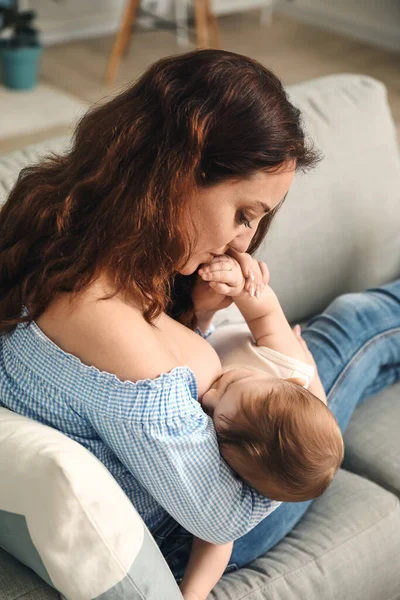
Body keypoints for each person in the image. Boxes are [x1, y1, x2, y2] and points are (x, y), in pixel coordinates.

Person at [0, 47, 399, 595]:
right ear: (180, 172)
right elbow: (226, 516)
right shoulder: (111, 335)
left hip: (245, 418)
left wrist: (205, 314)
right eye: (243, 214)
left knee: (354, 335)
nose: (243, 242)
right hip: (196, 528)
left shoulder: (67, 232)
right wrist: (305, 396)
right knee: (355, 330)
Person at [177, 253, 344, 600]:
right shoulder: (290, 367)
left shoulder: (237, 463)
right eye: (230, 386)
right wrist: (240, 286)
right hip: (231, 323)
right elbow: (265, 313)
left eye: (216, 421)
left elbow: (218, 535)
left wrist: (190, 593)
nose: (208, 397)